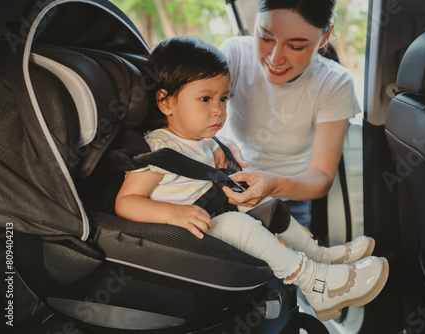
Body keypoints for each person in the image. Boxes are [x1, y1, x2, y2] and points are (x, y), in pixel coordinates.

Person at [115, 36, 388, 321]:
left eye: (223, 99)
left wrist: (221, 148)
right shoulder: (159, 151)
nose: (218, 110)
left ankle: (317, 255)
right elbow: (126, 202)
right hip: (182, 236)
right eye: (205, 99)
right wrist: (174, 213)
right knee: (237, 223)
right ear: (166, 102)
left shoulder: (199, 141)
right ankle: (314, 282)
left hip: (207, 219)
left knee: (262, 200)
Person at [217, 0, 360, 230]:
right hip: (229, 188)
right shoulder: (234, 54)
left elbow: (321, 178)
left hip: (291, 203)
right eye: (265, 38)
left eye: (295, 47)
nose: (275, 58)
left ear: (324, 38)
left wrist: (272, 186)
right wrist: (216, 142)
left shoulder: (334, 82)